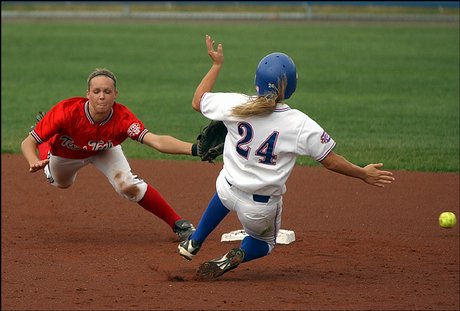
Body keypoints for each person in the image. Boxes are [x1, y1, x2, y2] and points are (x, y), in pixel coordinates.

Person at [178, 35, 395, 280]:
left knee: (224, 191)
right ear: (290, 87)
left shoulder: (235, 104)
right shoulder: (298, 123)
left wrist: (216, 65)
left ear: (257, 82)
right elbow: (331, 160)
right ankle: (237, 254)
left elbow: (198, 101)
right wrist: (363, 173)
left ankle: (194, 242)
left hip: (227, 186)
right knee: (265, 243)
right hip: (258, 208)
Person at [21, 68, 198, 241]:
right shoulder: (66, 112)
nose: (102, 96)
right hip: (67, 154)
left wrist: (194, 149)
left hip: (104, 150)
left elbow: (157, 141)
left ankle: (178, 224)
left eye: (107, 91)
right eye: (96, 91)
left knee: (127, 185)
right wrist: (34, 160)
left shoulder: (123, 118)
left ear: (115, 94)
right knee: (61, 183)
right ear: (88, 94)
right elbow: (28, 142)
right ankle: (46, 143)